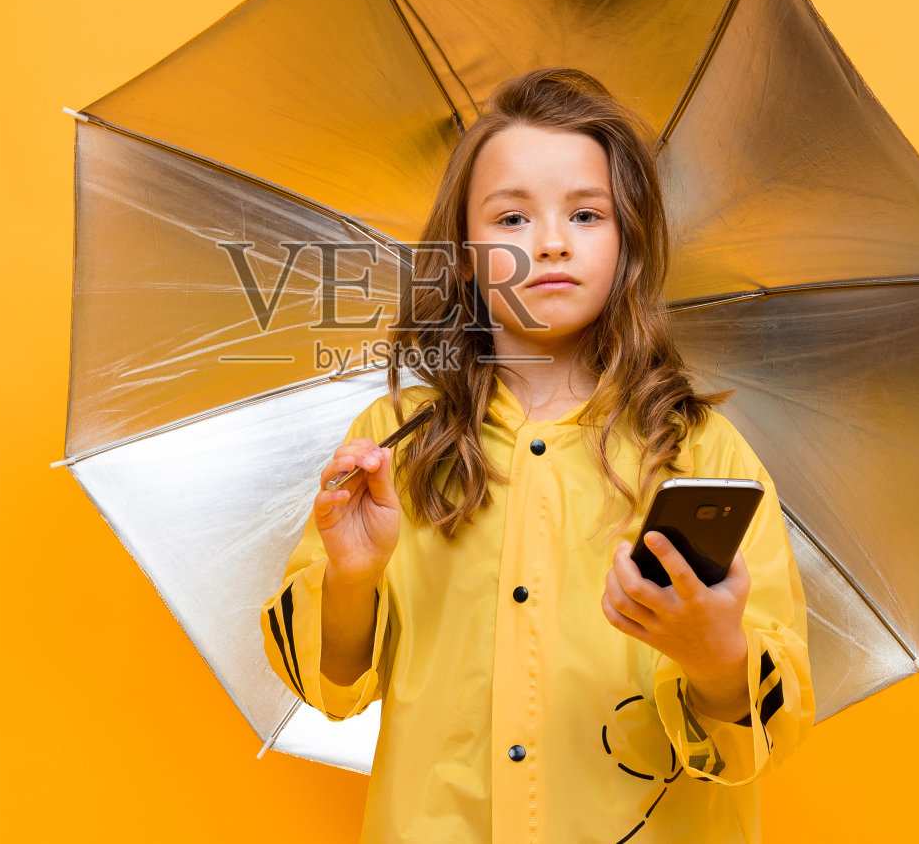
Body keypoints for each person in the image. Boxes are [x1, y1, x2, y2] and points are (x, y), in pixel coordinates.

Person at [259, 67, 814, 843]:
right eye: (512, 217)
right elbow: (334, 683)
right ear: (463, 254)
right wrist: (352, 577)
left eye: (585, 213)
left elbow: (764, 729)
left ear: (627, 242)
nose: (550, 241)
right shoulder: (396, 440)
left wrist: (718, 657)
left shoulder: (697, 450)